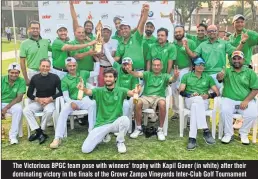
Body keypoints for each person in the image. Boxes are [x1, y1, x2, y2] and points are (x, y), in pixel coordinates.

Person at [79, 68, 138, 154]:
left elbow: (131, 93)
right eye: (106, 76)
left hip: (115, 123)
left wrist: (135, 92)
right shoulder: (98, 90)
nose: (108, 79)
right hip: (101, 124)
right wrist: (82, 89)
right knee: (85, 149)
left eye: (110, 76)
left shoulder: (121, 90)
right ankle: (104, 135)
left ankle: (120, 142)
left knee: (125, 119)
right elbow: (88, 92)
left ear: (115, 78)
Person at [50, 57, 99, 149]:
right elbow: (65, 96)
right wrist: (71, 102)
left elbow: (96, 73)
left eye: (73, 65)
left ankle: (91, 132)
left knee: (93, 104)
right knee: (63, 111)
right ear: (66, 67)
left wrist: (98, 61)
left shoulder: (83, 73)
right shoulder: (64, 80)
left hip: (84, 99)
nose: (72, 68)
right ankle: (57, 138)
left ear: (76, 65)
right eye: (70, 66)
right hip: (72, 100)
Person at [127, 58, 180, 141]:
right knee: (137, 102)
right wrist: (130, 71)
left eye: (158, 65)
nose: (156, 67)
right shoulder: (147, 74)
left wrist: (175, 76)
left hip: (159, 97)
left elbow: (172, 80)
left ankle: (160, 129)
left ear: (161, 67)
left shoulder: (165, 75)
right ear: (152, 66)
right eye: (154, 65)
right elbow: (137, 74)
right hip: (146, 97)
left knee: (162, 104)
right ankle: (138, 128)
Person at [184, 24, 248, 88]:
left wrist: (242, 42)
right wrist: (186, 47)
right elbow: (193, 56)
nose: (212, 32)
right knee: (206, 96)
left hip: (220, 74)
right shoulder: (202, 45)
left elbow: (235, 52)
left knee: (220, 95)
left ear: (217, 31)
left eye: (214, 30)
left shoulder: (224, 43)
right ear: (207, 33)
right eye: (209, 31)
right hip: (205, 75)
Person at [217, 51, 258, 145]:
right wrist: (219, 76)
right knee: (224, 111)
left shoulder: (250, 72)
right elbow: (219, 78)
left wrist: (246, 100)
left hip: (245, 100)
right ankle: (228, 134)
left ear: (243, 60)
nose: (236, 61)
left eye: (239, 58)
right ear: (231, 60)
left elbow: (255, 89)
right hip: (229, 99)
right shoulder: (226, 70)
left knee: (253, 114)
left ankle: (243, 133)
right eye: (234, 58)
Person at [179, 58, 219, 150]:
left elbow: (217, 92)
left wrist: (208, 95)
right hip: (189, 99)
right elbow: (181, 91)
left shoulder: (208, 77)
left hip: (203, 101)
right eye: (198, 64)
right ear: (194, 66)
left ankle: (192, 138)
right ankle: (205, 130)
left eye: (202, 64)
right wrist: (190, 94)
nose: (201, 66)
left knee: (195, 105)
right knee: (196, 99)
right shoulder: (186, 76)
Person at [23, 59, 62, 144]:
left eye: (47, 66)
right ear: (39, 67)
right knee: (26, 110)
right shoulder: (34, 78)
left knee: (49, 111)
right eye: (43, 66)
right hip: (38, 101)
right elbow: (29, 93)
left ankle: (41, 130)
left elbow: (61, 92)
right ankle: (39, 132)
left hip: (50, 101)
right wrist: (37, 99)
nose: (45, 68)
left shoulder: (55, 77)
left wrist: (50, 98)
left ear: (50, 67)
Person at [171, 25, 196, 120]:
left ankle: (187, 111)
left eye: (179, 32)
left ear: (184, 32)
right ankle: (176, 112)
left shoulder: (191, 42)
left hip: (186, 69)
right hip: (175, 69)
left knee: (185, 90)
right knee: (174, 91)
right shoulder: (172, 44)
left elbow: (194, 56)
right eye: (176, 32)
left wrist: (192, 67)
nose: (178, 34)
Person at [115, 4, 149, 71]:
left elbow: (142, 23)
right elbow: (117, 58)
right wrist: (104, 59)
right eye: (121, 29)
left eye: (125, 28)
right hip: (126, 72)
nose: (123, 30)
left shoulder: (136, 37)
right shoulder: (120, 43)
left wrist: (146, 12)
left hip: (138, 71)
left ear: (130, 29)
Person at [20, 21, 52, 86]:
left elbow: (55, 49)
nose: (35, 30)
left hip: (45, 70)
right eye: (33, 28)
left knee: (47, 91)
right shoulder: (24, 43)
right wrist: (26, 78)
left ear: (39, 29)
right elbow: (22, 62)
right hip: (32, 72)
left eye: (37, 28)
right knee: (34, 94)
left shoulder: (45, 41)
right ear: (29, 29)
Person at [1, 63, 26, 144]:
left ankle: (13, 136)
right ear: (8, 72)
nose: (14, 75)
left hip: (12, 104)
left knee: (18, 109)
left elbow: (19, 98)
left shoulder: (21, 81)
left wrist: (5, 108)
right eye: (12, 72)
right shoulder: (1, 79)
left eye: (16, 73)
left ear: (19, 73)